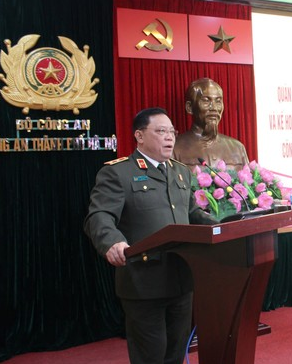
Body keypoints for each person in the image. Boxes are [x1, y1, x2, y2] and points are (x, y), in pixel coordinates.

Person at [84, 107, 218, 364]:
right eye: (161, 131)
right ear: (139, 136)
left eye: (172, 132)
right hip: (143, 282)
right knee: (151, 356)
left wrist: (223, 227)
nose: (169, 137)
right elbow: (99, 216)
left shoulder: (181, 172)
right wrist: (112, 242)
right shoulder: (118, 172)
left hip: (181, 278)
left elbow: (193, 213)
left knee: (176, 354)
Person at [173, 78, 249, 170]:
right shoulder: (176, 148)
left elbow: (248, 181)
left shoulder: (237, 148)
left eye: (218, 101)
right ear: (189, 107)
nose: (214, 108)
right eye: (206, 101)